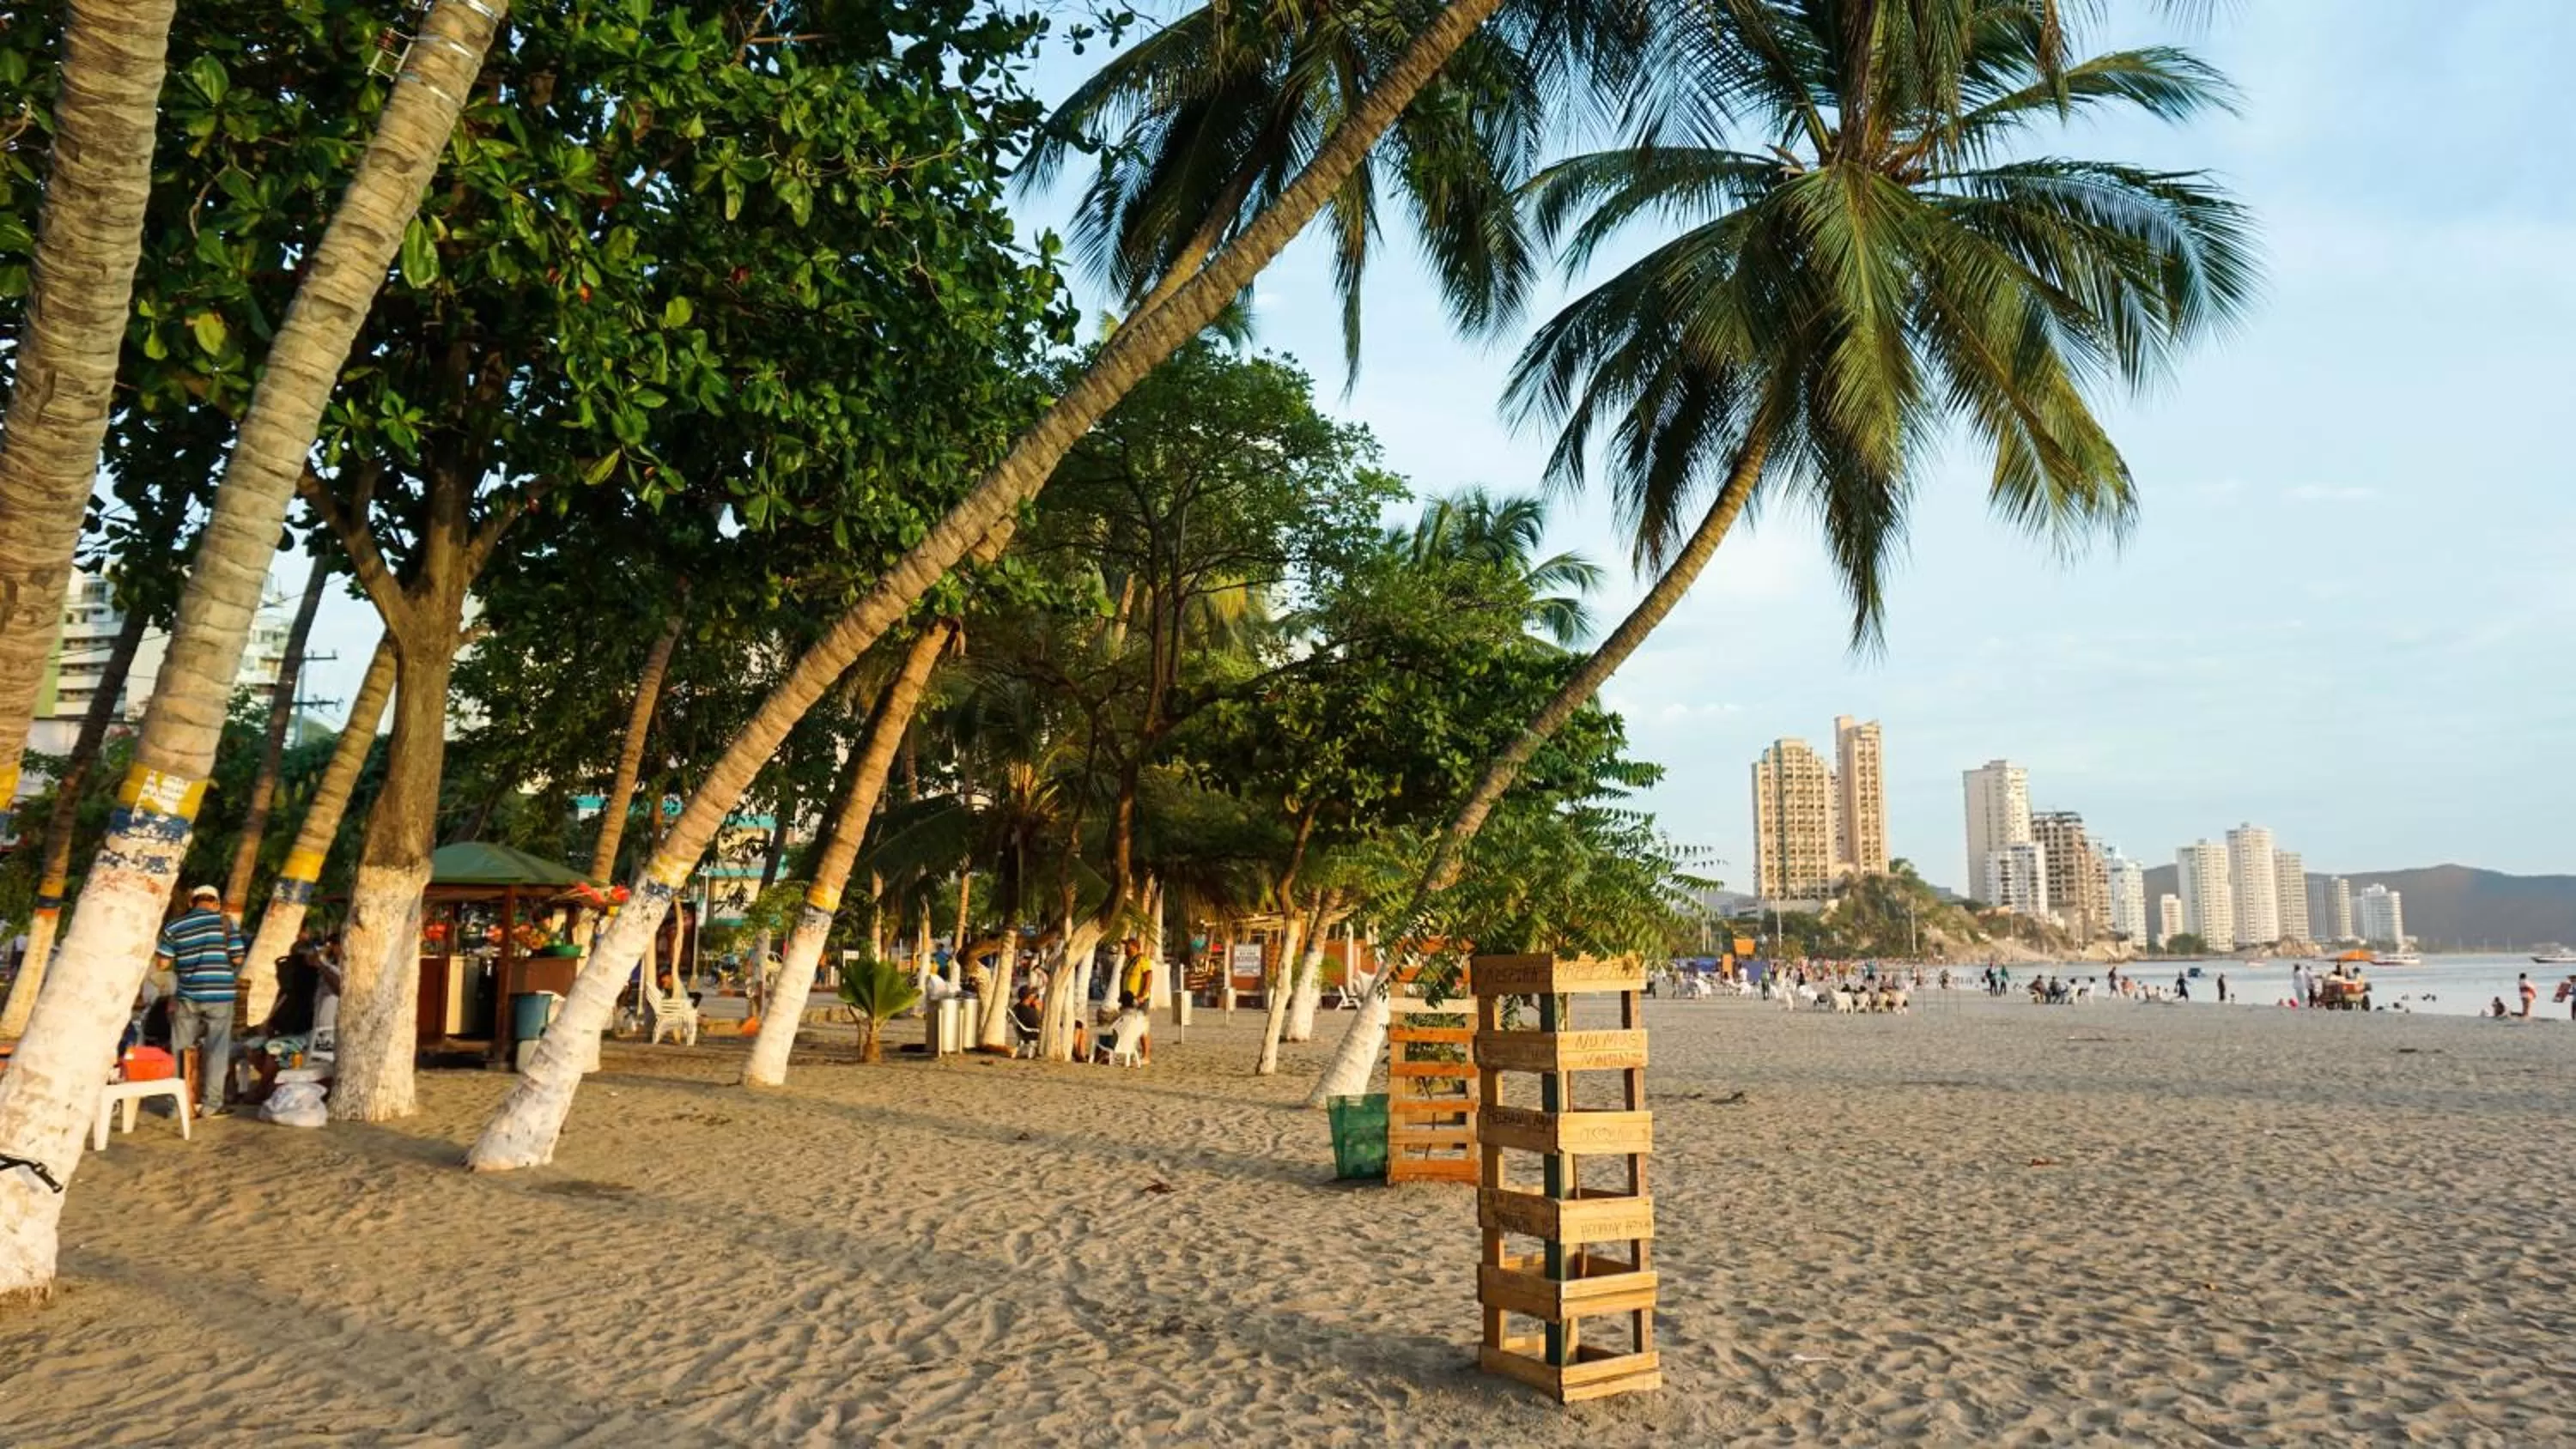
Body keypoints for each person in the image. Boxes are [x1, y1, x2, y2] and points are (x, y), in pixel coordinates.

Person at [156, 885, 246, 1117]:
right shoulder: (225, 923)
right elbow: (237, 958)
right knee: (216, 1048)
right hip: (221, 994)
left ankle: (178, 1106)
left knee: (180, 1049)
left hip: (188, 994)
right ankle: (211, 1105)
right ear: (216, 904)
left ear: (191, 902)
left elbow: (163, 964)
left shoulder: (174, 926)